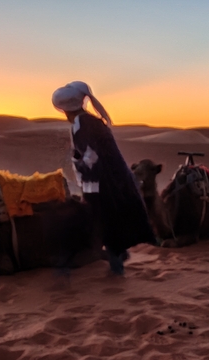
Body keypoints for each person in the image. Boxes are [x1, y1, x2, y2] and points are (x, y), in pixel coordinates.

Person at [51, 81, 156, 274]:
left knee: (104, 222)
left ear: (67, 110)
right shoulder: (89, 121)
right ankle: (116, 257)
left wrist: (82, 173)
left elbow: (92, 157)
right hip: (112, 181)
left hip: (103, 184)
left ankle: (115, 266)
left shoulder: (82, 124)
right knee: (110, 220)